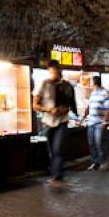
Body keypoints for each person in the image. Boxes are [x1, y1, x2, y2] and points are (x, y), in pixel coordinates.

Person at [32, 60, 74, 188]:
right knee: (52, 150)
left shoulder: (66, 85)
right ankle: (56, 171)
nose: (54, 74)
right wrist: (49, 110)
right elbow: (35, 105)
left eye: (56, 71)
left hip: (62, 121)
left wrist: (63, 109)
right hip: (48, 122)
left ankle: (57, 177)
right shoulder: (44, 84)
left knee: (57, 149)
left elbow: (69, 105)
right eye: (52, 71)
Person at [83, 75, 109, 171]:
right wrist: (84, 115)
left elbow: (107, 109)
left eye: (90, 82)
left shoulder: (104, 93)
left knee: (100, 143)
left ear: (94, 83)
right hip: (91, 122)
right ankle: (95, 162)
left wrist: (105, 122)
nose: (89, 84)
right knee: (92, 143)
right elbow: (89, 106)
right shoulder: (93, 93)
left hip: (99, 123)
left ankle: (104, 162)